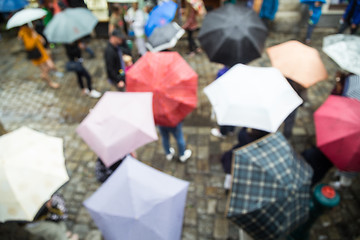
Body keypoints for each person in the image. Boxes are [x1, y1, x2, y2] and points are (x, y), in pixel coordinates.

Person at [220, 127, 269, 192]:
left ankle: (229, 181)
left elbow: (243, 138)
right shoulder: (248, 130)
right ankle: (229, 180)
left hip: (249, 152)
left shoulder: (260, 135)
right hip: (243, 151)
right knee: (229, 156)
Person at [18, 24, 60, 89]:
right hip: (37, 55)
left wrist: (38, 37)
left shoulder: (32, 30)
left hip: (42, 52)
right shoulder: (23, 32)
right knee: (44, 70)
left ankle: (44, 75)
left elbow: (43, 41)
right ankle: (50, 83)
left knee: (51, 66)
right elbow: (29, 46)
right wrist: (35, 38)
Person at [210, 65, 236, 138]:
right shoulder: (241, 71)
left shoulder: (222, 72)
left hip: (225, 98)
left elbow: (217, 86)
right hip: (236, 98)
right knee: (234, 114)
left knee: (224, 114)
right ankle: (231, 130)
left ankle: (223, 133)